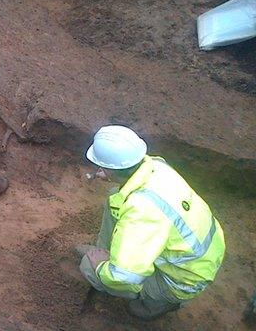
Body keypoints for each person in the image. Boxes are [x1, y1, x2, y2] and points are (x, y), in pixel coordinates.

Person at [77, 125, 225, 320]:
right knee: (115, 196)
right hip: (199, 250)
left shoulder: (141, 211)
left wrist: (100, 268)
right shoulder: (155, 165)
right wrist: (111, 174)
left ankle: (161, 303)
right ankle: (105, 253)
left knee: (90, 267)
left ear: (110, 168)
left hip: (184, 277)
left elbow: (124, 277)